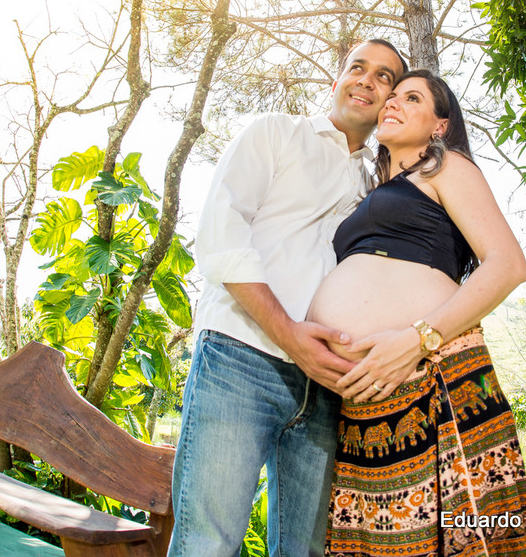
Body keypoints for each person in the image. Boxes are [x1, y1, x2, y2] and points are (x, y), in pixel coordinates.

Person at [168, 39, 407, 557]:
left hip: (325, 387)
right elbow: (221, 237)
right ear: (337, 80)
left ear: (390, 101)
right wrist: (288, 335)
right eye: (357, 68)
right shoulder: (274, 133)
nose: (367, 80)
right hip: (239, 359)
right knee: (208, 543)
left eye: (384, 76)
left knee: (307, 551)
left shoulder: (379, 188)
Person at [308, 69, 526, 557]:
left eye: (410, 98)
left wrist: (417, 339)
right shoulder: (366, 194)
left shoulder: (445, 167)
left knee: (469, 539)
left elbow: (508, 265)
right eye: (390, 98)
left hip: (436, 376)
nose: (391, 103)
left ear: (440, 125)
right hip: (366, 406)